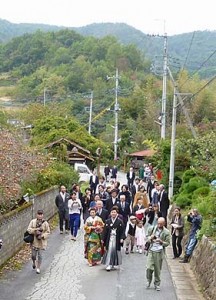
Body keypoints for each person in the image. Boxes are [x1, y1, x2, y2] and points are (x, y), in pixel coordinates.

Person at [146, 217, 170, 291]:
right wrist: (151, 238)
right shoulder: (152, 229)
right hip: (151, 250)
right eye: (158, 223)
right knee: (149, 268)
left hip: (159, 251)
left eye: (161, 224)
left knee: (157, 269)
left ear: (164, 224)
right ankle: (148, 281)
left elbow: (167, 243)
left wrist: (161, 242)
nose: (159, 225)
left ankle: (157, 284)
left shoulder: (166, 232)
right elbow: (147, 238)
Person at [102, 207, 125, 271]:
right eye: (112, 212)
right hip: (109, 238)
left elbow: (123, 230)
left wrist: (122, 238)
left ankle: (113, 263)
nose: (113, 213)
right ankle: (109, 264)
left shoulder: (120, 221)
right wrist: (103, 238)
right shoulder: (107, 221)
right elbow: (105, 231)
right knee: (109, 250)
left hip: (116, 238)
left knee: (115, 251)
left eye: (114, 212)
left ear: (117, 213)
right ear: (110, 213)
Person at [27, 210, 50, 274]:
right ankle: (34, 262)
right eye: (39, 214)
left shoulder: (45, 223)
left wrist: (42, 236)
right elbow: (28, 229)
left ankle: (38, 268)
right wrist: (35, 230)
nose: (40, 215)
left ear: (43, 215)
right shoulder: (33, 221)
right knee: (33, 255)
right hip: (34, 241)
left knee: (40, 256)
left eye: (41, 214)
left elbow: (48, 232)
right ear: (37, 215)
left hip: (41, 242)